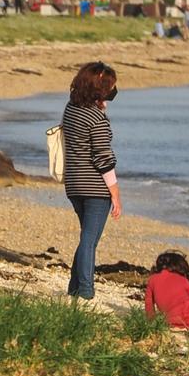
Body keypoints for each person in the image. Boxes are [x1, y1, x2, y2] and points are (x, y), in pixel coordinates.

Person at [59, 62, 123, 302]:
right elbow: (103, 158)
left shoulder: (71, 108)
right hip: (95, 186)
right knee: (89, 240)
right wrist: (115, 193)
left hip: (74, 183)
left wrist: (100, 109)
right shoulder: (96, 117)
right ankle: (85, 291)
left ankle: (74, 288)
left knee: (87, 237)